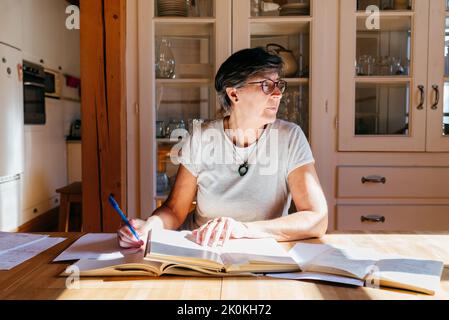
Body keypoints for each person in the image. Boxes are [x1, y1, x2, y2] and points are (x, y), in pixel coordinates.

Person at [118, 47, 328, 248]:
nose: (278, 94)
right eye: (266, 85)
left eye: (278, 84)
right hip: (201, 250)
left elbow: (316, 218)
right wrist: (149, 227)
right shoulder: (202, 137)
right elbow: (174, 210)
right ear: (234, 94)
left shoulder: (289, 137)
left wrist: (243, 230)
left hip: (261, 255)